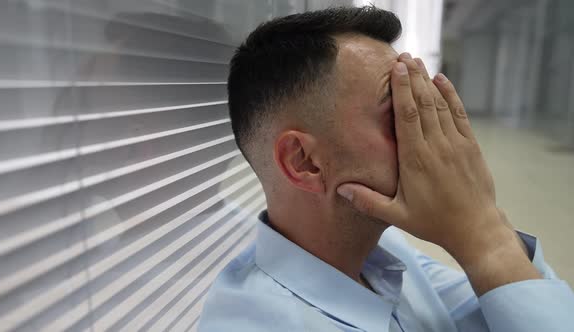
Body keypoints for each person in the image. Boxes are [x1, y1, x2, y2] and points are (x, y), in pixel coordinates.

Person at [197, 6, 574, 332]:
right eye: (401, 115)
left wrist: (484, 229)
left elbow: (510, 305)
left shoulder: (377, 253)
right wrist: (485, 238)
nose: (437, 140)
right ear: (304, 162)